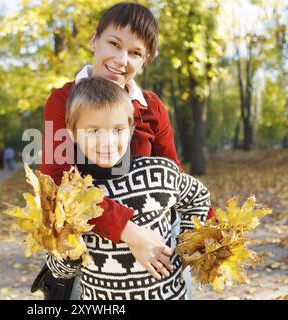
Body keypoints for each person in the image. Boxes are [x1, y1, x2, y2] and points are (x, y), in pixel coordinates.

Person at [35, 2, 215, 299]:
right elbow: (55, 185)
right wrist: (130, 233)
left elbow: (174, 175)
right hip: (95, 261)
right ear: (95, 39)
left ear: (145, 59)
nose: (121, 59)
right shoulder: (64, 100)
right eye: (114, 44)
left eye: (135, 53)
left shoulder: (150, 107)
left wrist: (209, 232)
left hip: (157, 257)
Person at [46, 77, 210, 300]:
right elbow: (58, 271)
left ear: (131, 127)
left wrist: (187, 245)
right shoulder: (74, 196)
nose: (107, 141)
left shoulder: (159, 172)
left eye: (117, 129)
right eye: (93, 131)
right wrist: (68, 252)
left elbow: (198, 197)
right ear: (72, 132)